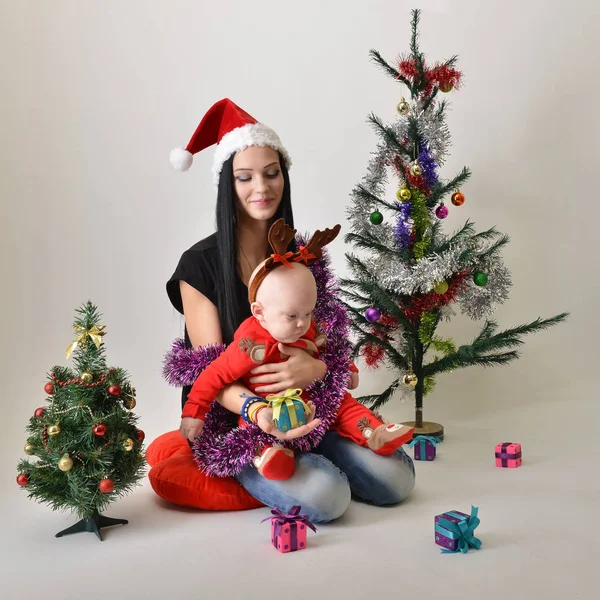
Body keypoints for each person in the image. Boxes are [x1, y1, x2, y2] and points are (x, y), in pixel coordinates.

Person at [167, 98, 415, 523]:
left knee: (397, 480)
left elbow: (331, 342)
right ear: (227, 184)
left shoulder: (301, 256)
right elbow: (205, 372)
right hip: (239, 424)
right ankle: (282, 463)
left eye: (272, 173)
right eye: (245, 178)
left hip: (310, 402)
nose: (261, 188)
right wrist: (259, 412)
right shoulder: (199, 265)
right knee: (328, 497)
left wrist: (315, 372)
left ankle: (320, 447)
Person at [180, 218, 415, 480]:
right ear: (260, 313)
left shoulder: (309, 327)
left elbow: (330, 350)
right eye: (292, 316)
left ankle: (374, 432)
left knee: (345, 405)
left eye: (308, 312)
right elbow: (213, 376)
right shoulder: (250, 345)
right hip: (269, 407)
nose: (303, 323)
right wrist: (193, 413)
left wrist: (346, 368)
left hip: (313, 401)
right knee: (254, 426)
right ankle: (269, 455)